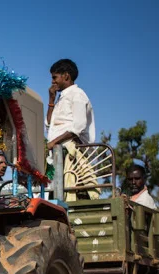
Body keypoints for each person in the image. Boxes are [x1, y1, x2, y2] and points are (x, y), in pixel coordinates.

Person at [45, 59, 98, 201]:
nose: (52, 82)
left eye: (55, 77)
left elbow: (77, 128)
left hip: (72, 155)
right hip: (57, 155)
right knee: (54, 195)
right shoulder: (61, 99)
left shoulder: (78, 95)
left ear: (66, 76)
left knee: (71, 194)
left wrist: (52, 144)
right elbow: (49, 125)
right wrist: (51, 100)